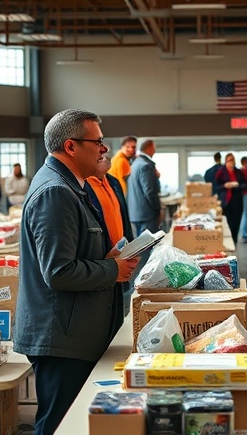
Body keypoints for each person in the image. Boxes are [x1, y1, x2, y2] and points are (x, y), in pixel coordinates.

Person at [13, 109, 138, 435]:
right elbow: (58, 271)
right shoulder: (56, 192)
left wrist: (105, 257)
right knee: (58, 424)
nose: (104, 149)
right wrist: (112, 268)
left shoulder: (73, 186)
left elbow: (72, 252)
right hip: (61, 338)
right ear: (71, 146)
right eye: (97, 142)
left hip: (75, 331)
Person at [85, 153, 137, 315]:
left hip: (122, 252)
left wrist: (133, 246)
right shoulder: (83, 186)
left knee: (119, 306)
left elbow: (123, 216)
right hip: (103, 259)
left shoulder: (113, 182)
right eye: (100, 155)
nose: (105, 155)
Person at [127, 139, 162, 237]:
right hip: (147, 214)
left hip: (136, 213)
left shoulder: (135, 163)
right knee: (149, 248)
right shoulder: (146, 165)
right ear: (149, 148)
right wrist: (158, 210)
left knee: (140, 246)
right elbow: (150, 191)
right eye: (154, 148)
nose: (155, 151)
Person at [214, 153, 246, 244]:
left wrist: (237, 185)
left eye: (232, 160)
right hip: (225, 201)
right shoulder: (221, 171)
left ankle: (234, 241)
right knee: (227, 222)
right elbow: (216, 186)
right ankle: (227, 242)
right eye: (229, 160)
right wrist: (225, 185)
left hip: (237, 200)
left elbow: (245, 184)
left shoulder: (238, 172)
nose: (231, 162)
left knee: (236, 222)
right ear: (226, 161)